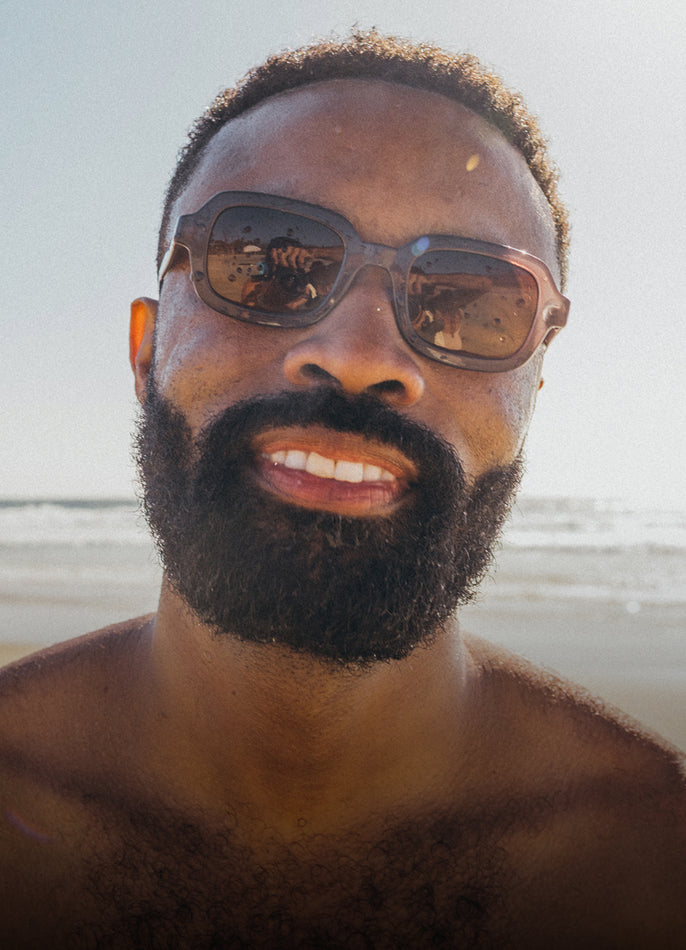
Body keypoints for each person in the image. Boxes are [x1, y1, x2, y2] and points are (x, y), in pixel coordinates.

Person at [1, 30, 684, 948]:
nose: (361, 357)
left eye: (474, 303)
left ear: (530, 395)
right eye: (267, 259)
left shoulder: (657, 862)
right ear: (146, 346)